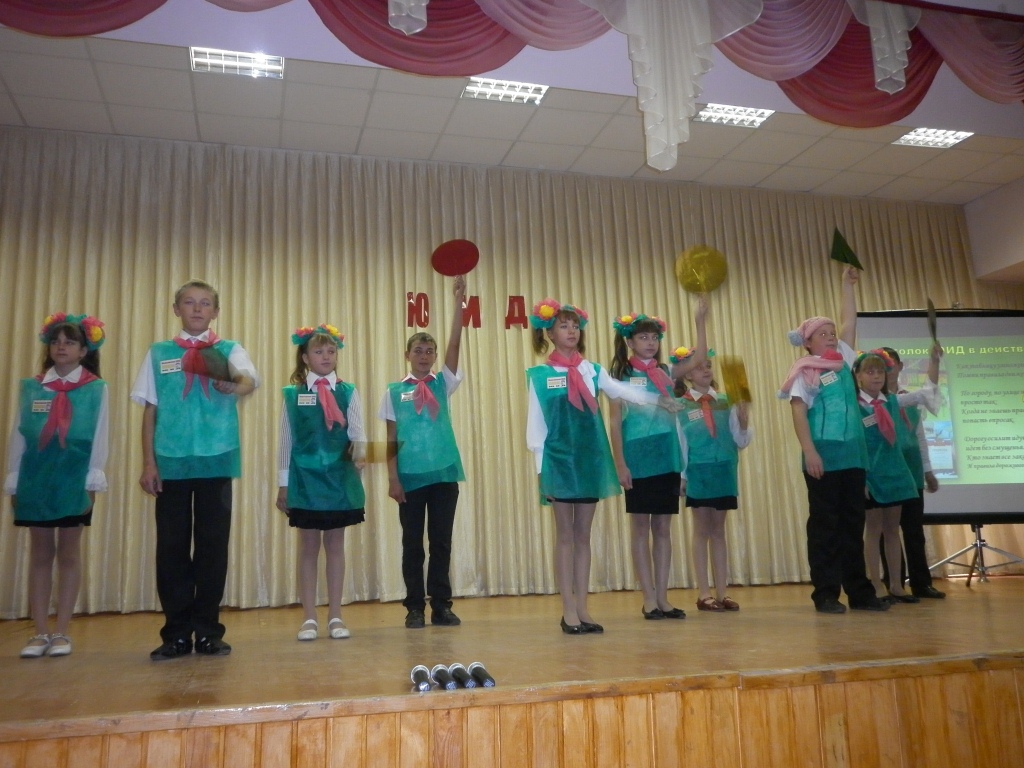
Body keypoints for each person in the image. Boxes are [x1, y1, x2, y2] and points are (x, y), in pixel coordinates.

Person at [527, 299, 671, 635]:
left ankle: (583, 607)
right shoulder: (540, 375)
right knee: (565, 535)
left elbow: (621, 391)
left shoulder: (592, 370)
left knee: (583, 535)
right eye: (563, 326)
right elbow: (535, 427)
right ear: (549, 333)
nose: (571, 331)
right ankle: (568, 610)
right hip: (558, 462)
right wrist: (541, 470)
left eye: (575, 326)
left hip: (589, 459)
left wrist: (657, 399)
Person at [132, 279, 259, 660]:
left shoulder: (228, 349)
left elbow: (249, 380)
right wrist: (149, 462)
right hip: (171, 462)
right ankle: (175, 634)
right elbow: (150, 410)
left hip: (216, 459)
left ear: (215, 311)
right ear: (176, 309)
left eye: (205, 303)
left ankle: (207, 632)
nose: (197, 309)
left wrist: (234, 385)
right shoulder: (159, 353)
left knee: (212, 548)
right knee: (171, 548)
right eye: (189, 302)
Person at [778, 266, 889, 614]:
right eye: (822, 334)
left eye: (831, 333)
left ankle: (860, 593)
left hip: (853, 457)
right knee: (825, 526)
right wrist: (810, 451)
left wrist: (847, 285)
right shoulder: (805, 371)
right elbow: (798, 411)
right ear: (808, 342)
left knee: (853, 524)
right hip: (823, 457)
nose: (829, 337)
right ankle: (826, 593)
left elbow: (849, 323)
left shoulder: (845, 362)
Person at [6, 313, 108, 658]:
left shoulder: (95, 389)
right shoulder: (32, 387)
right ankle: (39, 633)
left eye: (70, 342)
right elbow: (18, 437)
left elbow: (100, 437)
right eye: (56, 341)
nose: (61, 347)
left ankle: (62, 631)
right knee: (39, 554)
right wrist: (14, 481)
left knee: (68, 553)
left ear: (84, 350)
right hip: (35, 478)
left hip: (73, 478)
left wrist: (92, 480)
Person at [380, 275, 467, 630]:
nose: (424, 356)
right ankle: (414, 607)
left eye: (429, 351)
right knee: (412, 544)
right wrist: (393, 478)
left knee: (441, 542)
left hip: (444, 473)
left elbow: (455, 343)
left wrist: (459, 303)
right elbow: (390, 438)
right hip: (410, 478)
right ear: (407, 355)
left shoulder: (443, 383)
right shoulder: (392, 391)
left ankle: (441, 606)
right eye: (418, 350)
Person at [277, 324, 366, 641]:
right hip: (305, 481)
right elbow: (286, 441)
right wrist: (284, 484)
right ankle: (309, 618)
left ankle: (336, 616)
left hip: (338, 480)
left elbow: (358, 435)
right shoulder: (292, 395)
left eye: (331, 351)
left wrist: (359, 467)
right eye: (318, 351)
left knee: (335, 546)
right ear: (305, 357)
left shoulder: (348, 391)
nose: (326, 357)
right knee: (308, 547)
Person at [608, 310, 689, 621]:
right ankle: (649, 599)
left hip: (666, 456)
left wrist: (699, 323)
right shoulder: (620, 375)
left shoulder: (666, 372)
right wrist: (620, 463)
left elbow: (696, 362)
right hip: (637, 458)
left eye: (655, 337)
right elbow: (615, 422)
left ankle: (664, 598)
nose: (651, 342)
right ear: (629, 341)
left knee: (664, 528)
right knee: (641, 527)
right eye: (643, 337)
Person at [674, 299, 753, 613]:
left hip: (724, 470)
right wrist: (681, 476)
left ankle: (722, 592)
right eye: (699, 367)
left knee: (719, 531)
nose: (706, 370)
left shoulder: (726, 400)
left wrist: (743, 421)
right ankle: (704, 593)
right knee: (701, 530)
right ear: (688, 375)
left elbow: (740, 440)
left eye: (708, 365)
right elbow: (681, 444)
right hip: (698, 472)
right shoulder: (681, 406)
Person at [854, 345, 941, 602]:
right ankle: (876, 585)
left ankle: (896, 586)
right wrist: (862, 479)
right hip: (872, 476)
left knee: (893, 530)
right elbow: (857, 446)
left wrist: (934, 362)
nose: (876, 377)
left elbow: (927, 393)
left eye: (880, 372)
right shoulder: (855, 406)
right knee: (874, 531)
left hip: (896, 474)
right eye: (870, 372)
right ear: (858, 376)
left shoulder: (892, 401)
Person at [881, 346, 945, 599]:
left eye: (891, 364)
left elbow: (919, 437)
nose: (888, 370)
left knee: (914, 531)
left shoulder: (908, 398)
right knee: (887, 531)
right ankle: (894, 583)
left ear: (899, 366)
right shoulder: (876, 401)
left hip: (912, 471)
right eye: (882, 366)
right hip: (887, 473)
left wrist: (928, 471)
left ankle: (921, 583)